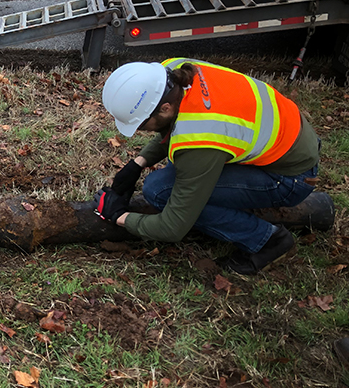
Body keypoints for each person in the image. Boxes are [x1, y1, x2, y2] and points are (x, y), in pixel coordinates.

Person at [95, 58, 320, 275]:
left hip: (291, 177)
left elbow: (173, 227)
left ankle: (268, 240)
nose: (139, 131)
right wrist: (137, 164)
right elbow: (180, 123)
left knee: (161, 192)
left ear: (164, 108)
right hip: (290, 137)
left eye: (142, 124)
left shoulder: (200, 141)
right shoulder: (174, 71)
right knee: (164, 183)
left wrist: (120, 217)